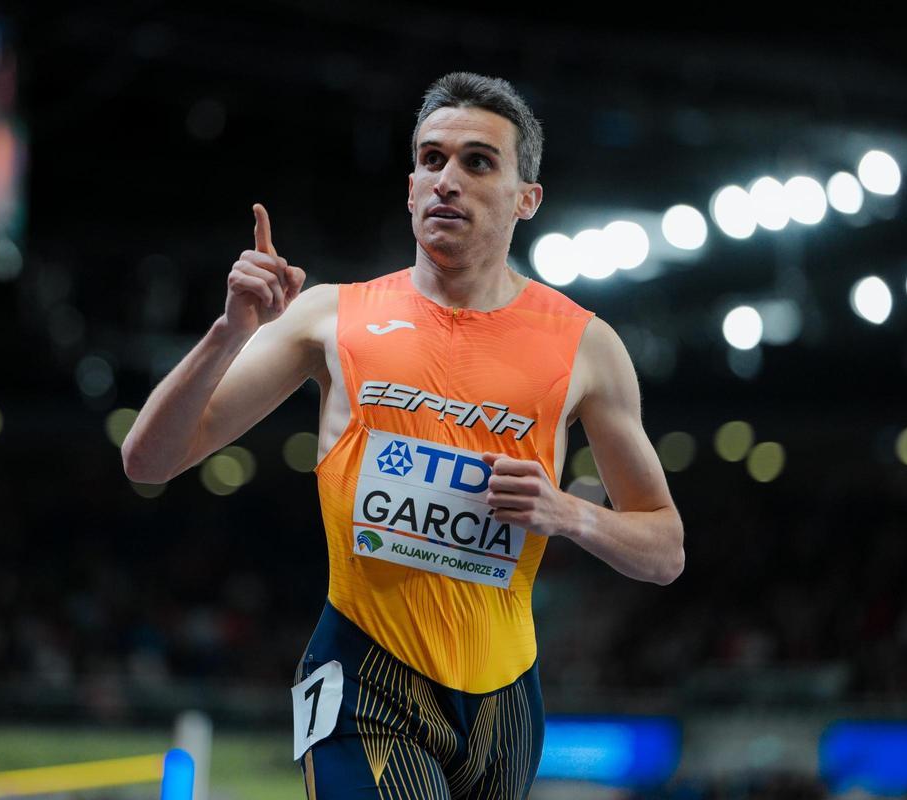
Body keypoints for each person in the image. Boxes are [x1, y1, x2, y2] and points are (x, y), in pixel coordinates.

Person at [121, 71, 684, 799]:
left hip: (504, 704)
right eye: (430, 159)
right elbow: (148, 459)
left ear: (526, 199)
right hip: (363, 677)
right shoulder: (330, 316)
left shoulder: (587, 347)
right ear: (411, 185)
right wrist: (229, 333)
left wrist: (568, 512)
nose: (447, 179)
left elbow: (664, 548)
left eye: (478, 162)